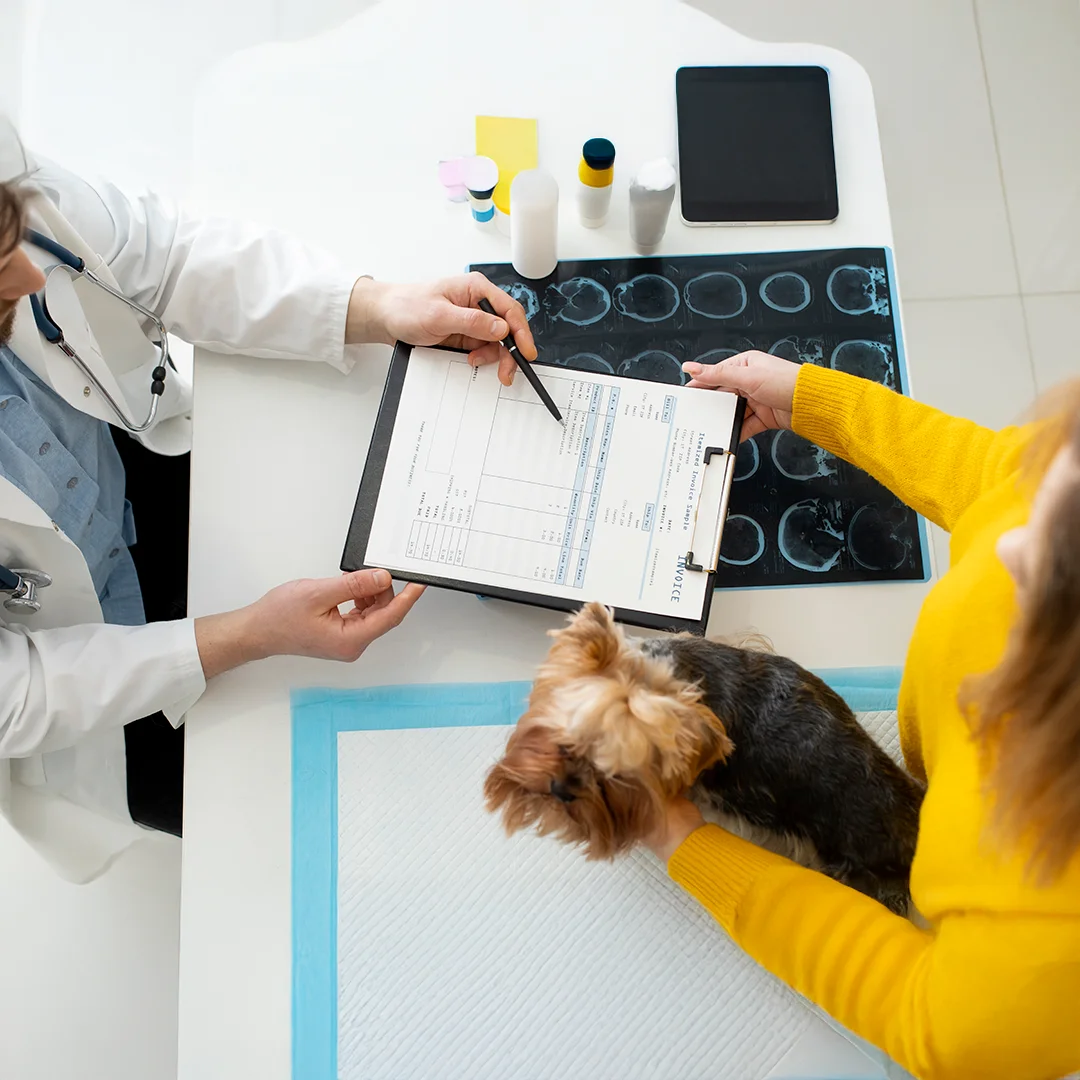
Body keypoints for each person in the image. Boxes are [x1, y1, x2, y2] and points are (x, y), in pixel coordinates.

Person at [0, 123, 536, 882]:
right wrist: (245, 635)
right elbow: (17, 690)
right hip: (76, 676)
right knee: (301, 833)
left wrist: (375, 306)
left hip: (135, 465)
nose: (29, 277)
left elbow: (164, 257)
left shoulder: (8, 201)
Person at [644, 350, 1080, 1080]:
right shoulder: (1036, 513)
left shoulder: (1043, 938)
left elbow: (924, 1015)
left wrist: (688, 846)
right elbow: (993, 477)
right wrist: (813, 401)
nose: (1006, 538)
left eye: (1054, 561)